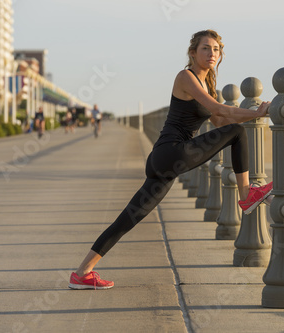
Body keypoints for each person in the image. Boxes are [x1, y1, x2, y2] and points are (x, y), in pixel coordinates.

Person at [69, 29, 272, 290]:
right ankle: (247, 196)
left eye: (216, 50)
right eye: (205, 48)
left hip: (165, 160)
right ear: (192, 52)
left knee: (128, 219)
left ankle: (82, 273)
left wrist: (250, 114)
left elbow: (219, 120)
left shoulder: (208, 85)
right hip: (171, 152)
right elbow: (221, 111)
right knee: (238, 132)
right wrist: (257, 113)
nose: (212, 54)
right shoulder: (186, 77)